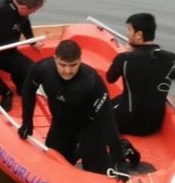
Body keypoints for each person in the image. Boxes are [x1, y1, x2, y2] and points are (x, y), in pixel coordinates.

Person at [18, 40, 123, 174]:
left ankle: (123, 148)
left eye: (73, 65)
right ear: (55, 59)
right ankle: (78, 152)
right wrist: (27, 122)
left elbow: (107, 119)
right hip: (61, 125)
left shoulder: (92, 81)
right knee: (54, 166)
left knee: (95, 171)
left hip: (89, 127)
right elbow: (28, 91)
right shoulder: (41, 69)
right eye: (62, 65)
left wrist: (118, 157)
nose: (67, 71)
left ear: (80, 60)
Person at [106, 13, 175, 136]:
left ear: (138, 35)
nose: (127, 33)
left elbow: (110, 78)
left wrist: (126, 53)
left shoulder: (125, 58)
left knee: (94, 110)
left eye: (129, 30)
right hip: (153, 125)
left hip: (125, 122)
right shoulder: (171, 59)